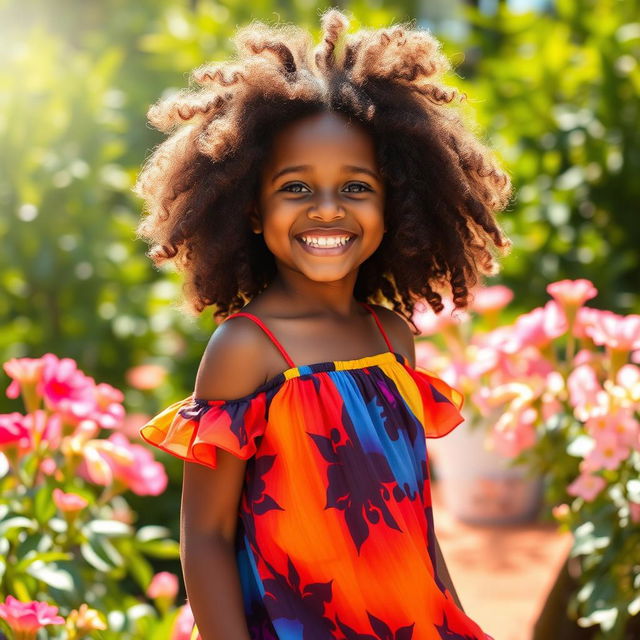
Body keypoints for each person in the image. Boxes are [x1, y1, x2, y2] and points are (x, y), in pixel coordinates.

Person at [135, 8, 512, 639]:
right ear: (252, 211)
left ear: (397, 205)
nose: (328, 211)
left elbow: (413, 517)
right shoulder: (246, 349)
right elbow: (205, 536)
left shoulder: (392, 336)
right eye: (297, 189)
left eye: (356, 187)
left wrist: (453, 614)